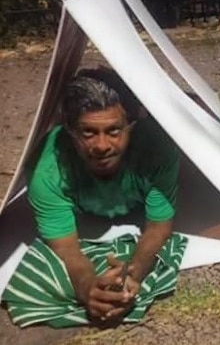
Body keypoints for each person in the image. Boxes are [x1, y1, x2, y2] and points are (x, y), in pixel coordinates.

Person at [25, 66, 180, 323]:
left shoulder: (158, 149)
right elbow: (68, 250)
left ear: (131, 125)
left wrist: (134, 272)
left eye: (114, 131)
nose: (102, 146)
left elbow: (158, 226)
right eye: (88, 132)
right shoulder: (46, 169)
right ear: (70, 130)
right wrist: (87, 288)